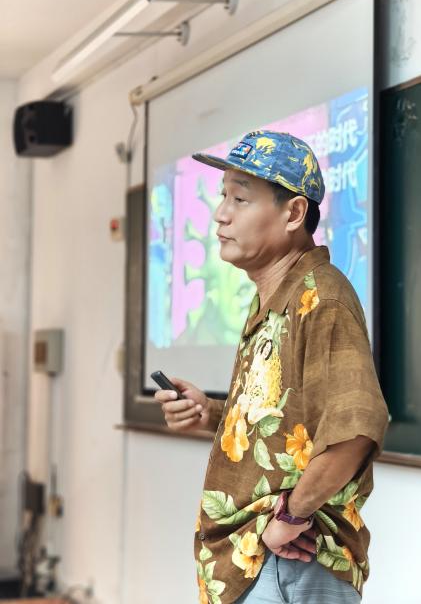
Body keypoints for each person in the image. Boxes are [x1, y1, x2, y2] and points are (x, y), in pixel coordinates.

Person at [155, 130, 389, 604]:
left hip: (293, 558)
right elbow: (288, 420)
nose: (221, 213)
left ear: (294, 213)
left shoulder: (321, 299)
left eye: (240, 199)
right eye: (223, 196)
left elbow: (355, 429)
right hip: (256, 560)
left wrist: (290, 516)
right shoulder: (273, 298)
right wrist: (211, 413)